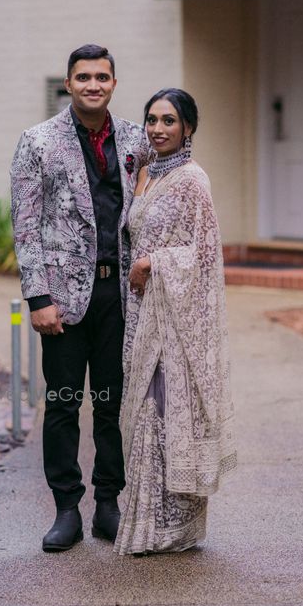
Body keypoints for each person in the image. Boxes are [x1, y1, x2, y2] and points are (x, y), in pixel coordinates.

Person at [10, 44, 149, 552]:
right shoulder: (38, 142)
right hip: (64, 300)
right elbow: (25, 225)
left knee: (113, 403)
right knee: (65, 404)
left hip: (121, 296)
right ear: (68, 83)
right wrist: (37, 296)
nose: (94, 84)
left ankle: (107, 504)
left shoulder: (138, 138)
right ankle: (66, 509)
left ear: (114, 83)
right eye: (84, 77)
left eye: (103, 77)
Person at [113, 88, 237, 555]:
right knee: (143, 410)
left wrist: (152, 265)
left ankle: (172, 527)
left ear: (188, 128)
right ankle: (145, 519)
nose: (158, 129)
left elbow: (205, 256)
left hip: (175, 318)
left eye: (169, 120)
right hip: (142, 314)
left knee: (164, 411)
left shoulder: (191, 179)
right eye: (152, 119)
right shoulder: (144, 174)